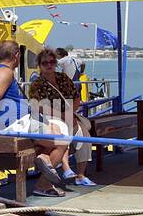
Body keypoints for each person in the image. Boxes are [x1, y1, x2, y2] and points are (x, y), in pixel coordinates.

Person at [0, 40, 69, 197]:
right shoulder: (5, 72)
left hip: (22, 122)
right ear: (17, 55)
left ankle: (44, 159)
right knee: (63, 141)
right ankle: (43, 185)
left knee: (54, 129)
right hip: (15, 124)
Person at [29, 48, 97, 186]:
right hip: (50, 119)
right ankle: (65, 168)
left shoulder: (63, 78)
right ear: (40, 65)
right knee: (62, 132)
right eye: (45, 62)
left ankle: (80, 175)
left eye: (52, 62)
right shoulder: (36, 84)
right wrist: (61, 115)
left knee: (84, 137)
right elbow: (38, 106)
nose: (49, 65)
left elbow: (76, 97)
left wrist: (71, 111)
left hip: (69, 114)